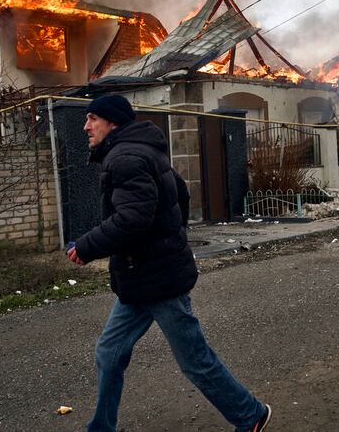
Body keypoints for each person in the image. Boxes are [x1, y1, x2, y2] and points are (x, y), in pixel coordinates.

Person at [66, 94, 272, 432]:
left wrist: (87, 247)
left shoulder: (126, 158)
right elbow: (180, 195)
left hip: (157, 280)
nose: (86, 126)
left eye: (92, 118)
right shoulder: (143, 150)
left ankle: (250, 415)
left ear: (112, 121)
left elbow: (132, 219)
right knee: (109, 352)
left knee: (194, 361)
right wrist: (172, 237)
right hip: (141, 277)